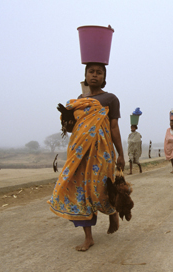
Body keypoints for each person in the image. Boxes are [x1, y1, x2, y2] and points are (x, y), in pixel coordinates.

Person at [48, 63, 125, 252]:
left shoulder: (111, 99)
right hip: (79, 152)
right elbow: (73, 127)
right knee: (80, 192)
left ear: (104, 77)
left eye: (99, 72)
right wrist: (66, 118)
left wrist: (120, 153)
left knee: (100, 187)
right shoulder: (80, 100)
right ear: (85, 75)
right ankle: (88, 237)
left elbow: (113, 127)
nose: (95, 75)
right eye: (91, 72)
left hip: (102, 152)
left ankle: (112, 211)